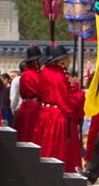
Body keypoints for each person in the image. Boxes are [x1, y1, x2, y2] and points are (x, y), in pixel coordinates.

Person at [34, 44, 84, 174]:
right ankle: (60, 172)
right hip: (58, 115)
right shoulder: (59, 77)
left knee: (45, 145)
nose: (69, 61)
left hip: (45, 113)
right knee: (58, 147)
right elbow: (67, 101)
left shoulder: (45, 72)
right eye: (67, 59)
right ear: (61, 61)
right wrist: (77, 90)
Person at [13, 45, 43, 143]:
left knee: (23, 131)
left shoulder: (24, 75)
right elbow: (40, 91)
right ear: (35, 61)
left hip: (24, 105)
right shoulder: (36, 75)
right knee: (32, 132)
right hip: (34, 106)